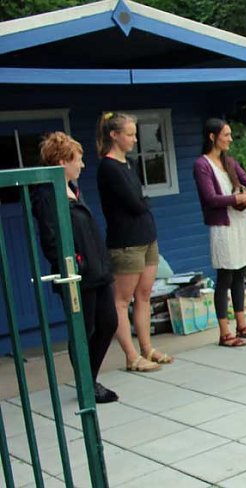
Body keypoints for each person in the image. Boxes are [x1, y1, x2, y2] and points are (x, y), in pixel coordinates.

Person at [31, 132, 119, 403]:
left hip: (98, 271)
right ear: (61, 162)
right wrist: (75, 264)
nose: (81, 165)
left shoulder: (73, 189)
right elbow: (51, 239)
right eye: (77, 160)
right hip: (78, 275)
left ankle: (88, 379)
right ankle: (86, 384)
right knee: (84, 329)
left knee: (108, 323)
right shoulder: (48, 196)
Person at [96, 112, 168, 372]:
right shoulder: (108, 167)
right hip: (126, 242)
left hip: (146, 237)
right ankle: (131, 356)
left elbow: (141, 199)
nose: (135, 139)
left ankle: (147, 348)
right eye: (129, 134)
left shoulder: (128, 164)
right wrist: (144, 203)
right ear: (114, 135)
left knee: (144, 295)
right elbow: (136, 202)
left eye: (135, 134)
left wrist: (143, 203)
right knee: (121, 300)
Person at [194, 118, 246, 347]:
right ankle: (224, 332)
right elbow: (210, 198)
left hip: (240, 223)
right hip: (222, 226)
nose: (230, 139)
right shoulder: (202, 165)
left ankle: (241, 323)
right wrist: (237, 198)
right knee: (225, 277)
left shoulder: (230, 162)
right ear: (212, 137)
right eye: (226, 135)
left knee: (240, 273)